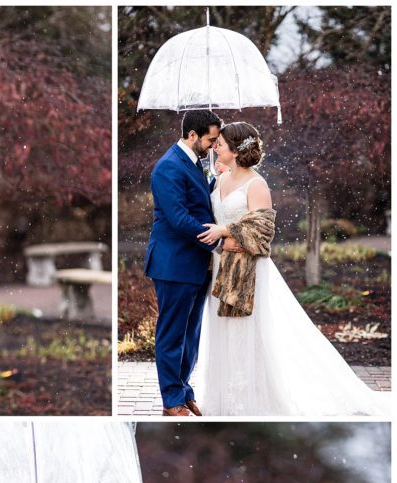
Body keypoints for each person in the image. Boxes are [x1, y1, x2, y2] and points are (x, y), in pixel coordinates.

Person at [195, 122, 391, 417]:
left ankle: (252, 401)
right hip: (223, 270)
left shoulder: (256, 184)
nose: (215, 147)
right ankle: (225, 400)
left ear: (235, 151)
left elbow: (262, 232)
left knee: (250, 337)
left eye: (220, 144)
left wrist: (225, 231)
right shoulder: (220, 181)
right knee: (223, 334)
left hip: (250, 273)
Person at [145, 109, 242, 417]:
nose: (215, 146)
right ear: (192, 135)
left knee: (190, 334)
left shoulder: (196, 164)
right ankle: (171, 399)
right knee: (172, 333)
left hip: (197, 263)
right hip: (173, 263)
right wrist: (219, 239)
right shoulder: (168, 168)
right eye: (211, 139)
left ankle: (185, 391)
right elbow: (178, 219)